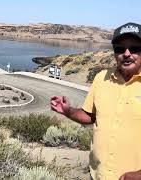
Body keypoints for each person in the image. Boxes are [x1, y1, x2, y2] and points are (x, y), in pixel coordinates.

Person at [51, 22, 141, 180]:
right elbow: (90, 116)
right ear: (114, 53)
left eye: (134, 48)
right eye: (120, 49)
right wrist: (68, 110)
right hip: (98, 174)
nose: (126, 54)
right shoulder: (101, 78)